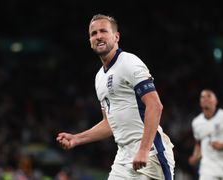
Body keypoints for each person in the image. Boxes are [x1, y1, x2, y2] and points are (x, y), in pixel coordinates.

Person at [56, 14, 175, 180]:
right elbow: (109, 124)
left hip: (151, 155)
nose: (98, 36)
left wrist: (143, 150)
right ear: (90, 41)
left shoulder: (129, 62)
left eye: (103, 31)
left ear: (116, 36)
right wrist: (76, 139)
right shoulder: (99, 78)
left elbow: (155, 106)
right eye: (93, 33)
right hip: (123, 158)